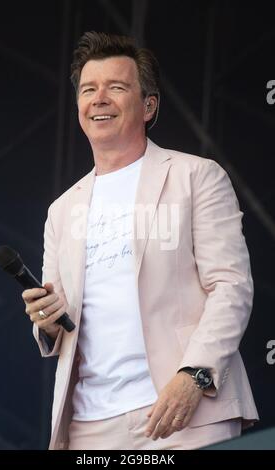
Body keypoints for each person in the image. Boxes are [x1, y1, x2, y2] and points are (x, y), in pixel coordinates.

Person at [22, 31, 258, 450]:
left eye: (116, 87)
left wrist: (195, 376)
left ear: (149, 105)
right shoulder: (61, 210)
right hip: (90, 425)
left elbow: (231, 287)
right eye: (89, 90)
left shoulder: (196, 177)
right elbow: (58, 324)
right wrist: (46, 321)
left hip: (186, 412)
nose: (99, 98)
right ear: (78, 105)